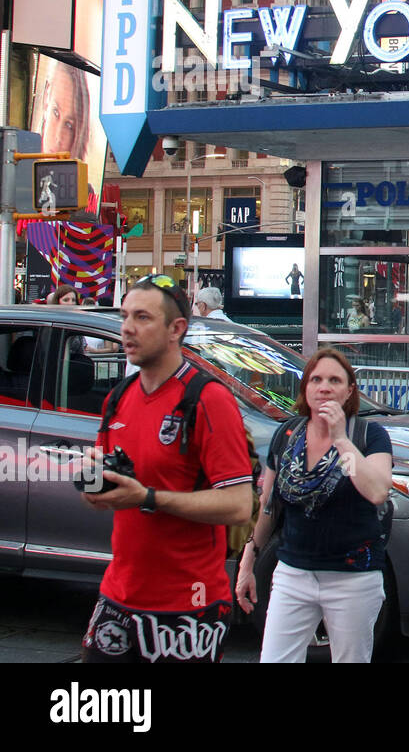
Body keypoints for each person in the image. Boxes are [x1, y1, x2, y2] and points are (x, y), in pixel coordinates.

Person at [80, 275, 253, 662]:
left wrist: (148, 498)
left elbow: (240, 505)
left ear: (177, 329)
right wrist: (94, 484)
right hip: (119, 593)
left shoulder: (208, 399)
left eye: (142, 317)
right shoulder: (118, 397)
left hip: (188, 605)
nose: (126, 328)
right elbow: (108, 481)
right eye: (125, 316)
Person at [236, 348, 393, 662]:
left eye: (334, 380)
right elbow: (267, 505)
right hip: (294, 573)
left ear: (349, 391)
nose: (324, 387)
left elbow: (377, 491)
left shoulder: (367, 434)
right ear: (305, 388)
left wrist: (340, 438)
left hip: (352, 577)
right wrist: (247, 564)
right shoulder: (288, 434)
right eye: (316, 379)